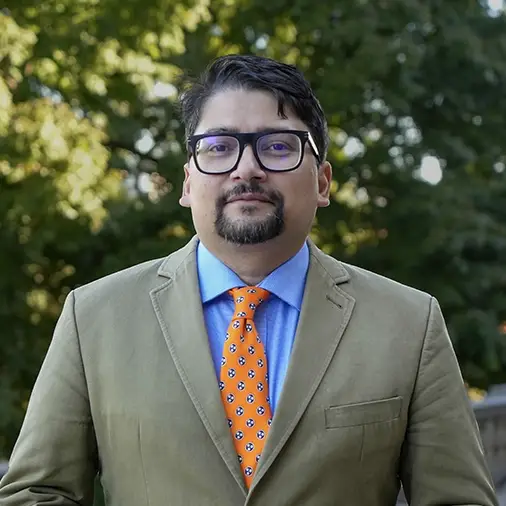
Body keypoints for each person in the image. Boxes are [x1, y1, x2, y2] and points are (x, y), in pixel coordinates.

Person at [0, 54, 498, 506]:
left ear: (322, 181)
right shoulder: (93, 317)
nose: (247, 168)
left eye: (277, 146)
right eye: (218, 147)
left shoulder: (409, 323)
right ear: (188, 181)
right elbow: (38, 493)